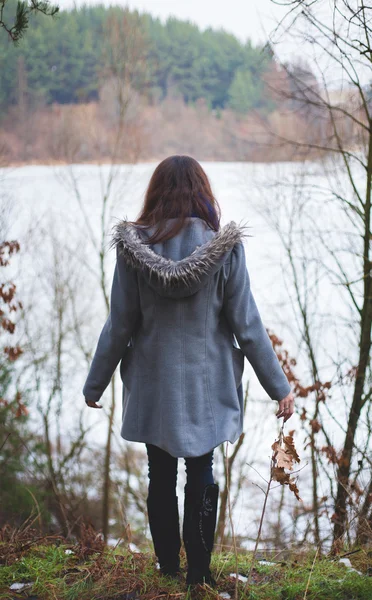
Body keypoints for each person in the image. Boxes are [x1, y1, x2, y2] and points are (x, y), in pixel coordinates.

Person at [83, 155, 294, 588]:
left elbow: (119, 324)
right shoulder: (226, 250)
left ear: (155, 193)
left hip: (154, 387)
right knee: (202, 469)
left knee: (159, 473)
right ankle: (198, 573)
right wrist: (280, 388)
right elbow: (247, 326)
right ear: (203, 192)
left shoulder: (133, 252)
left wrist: (95, 382)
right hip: (205, 386)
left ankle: (167, 567)